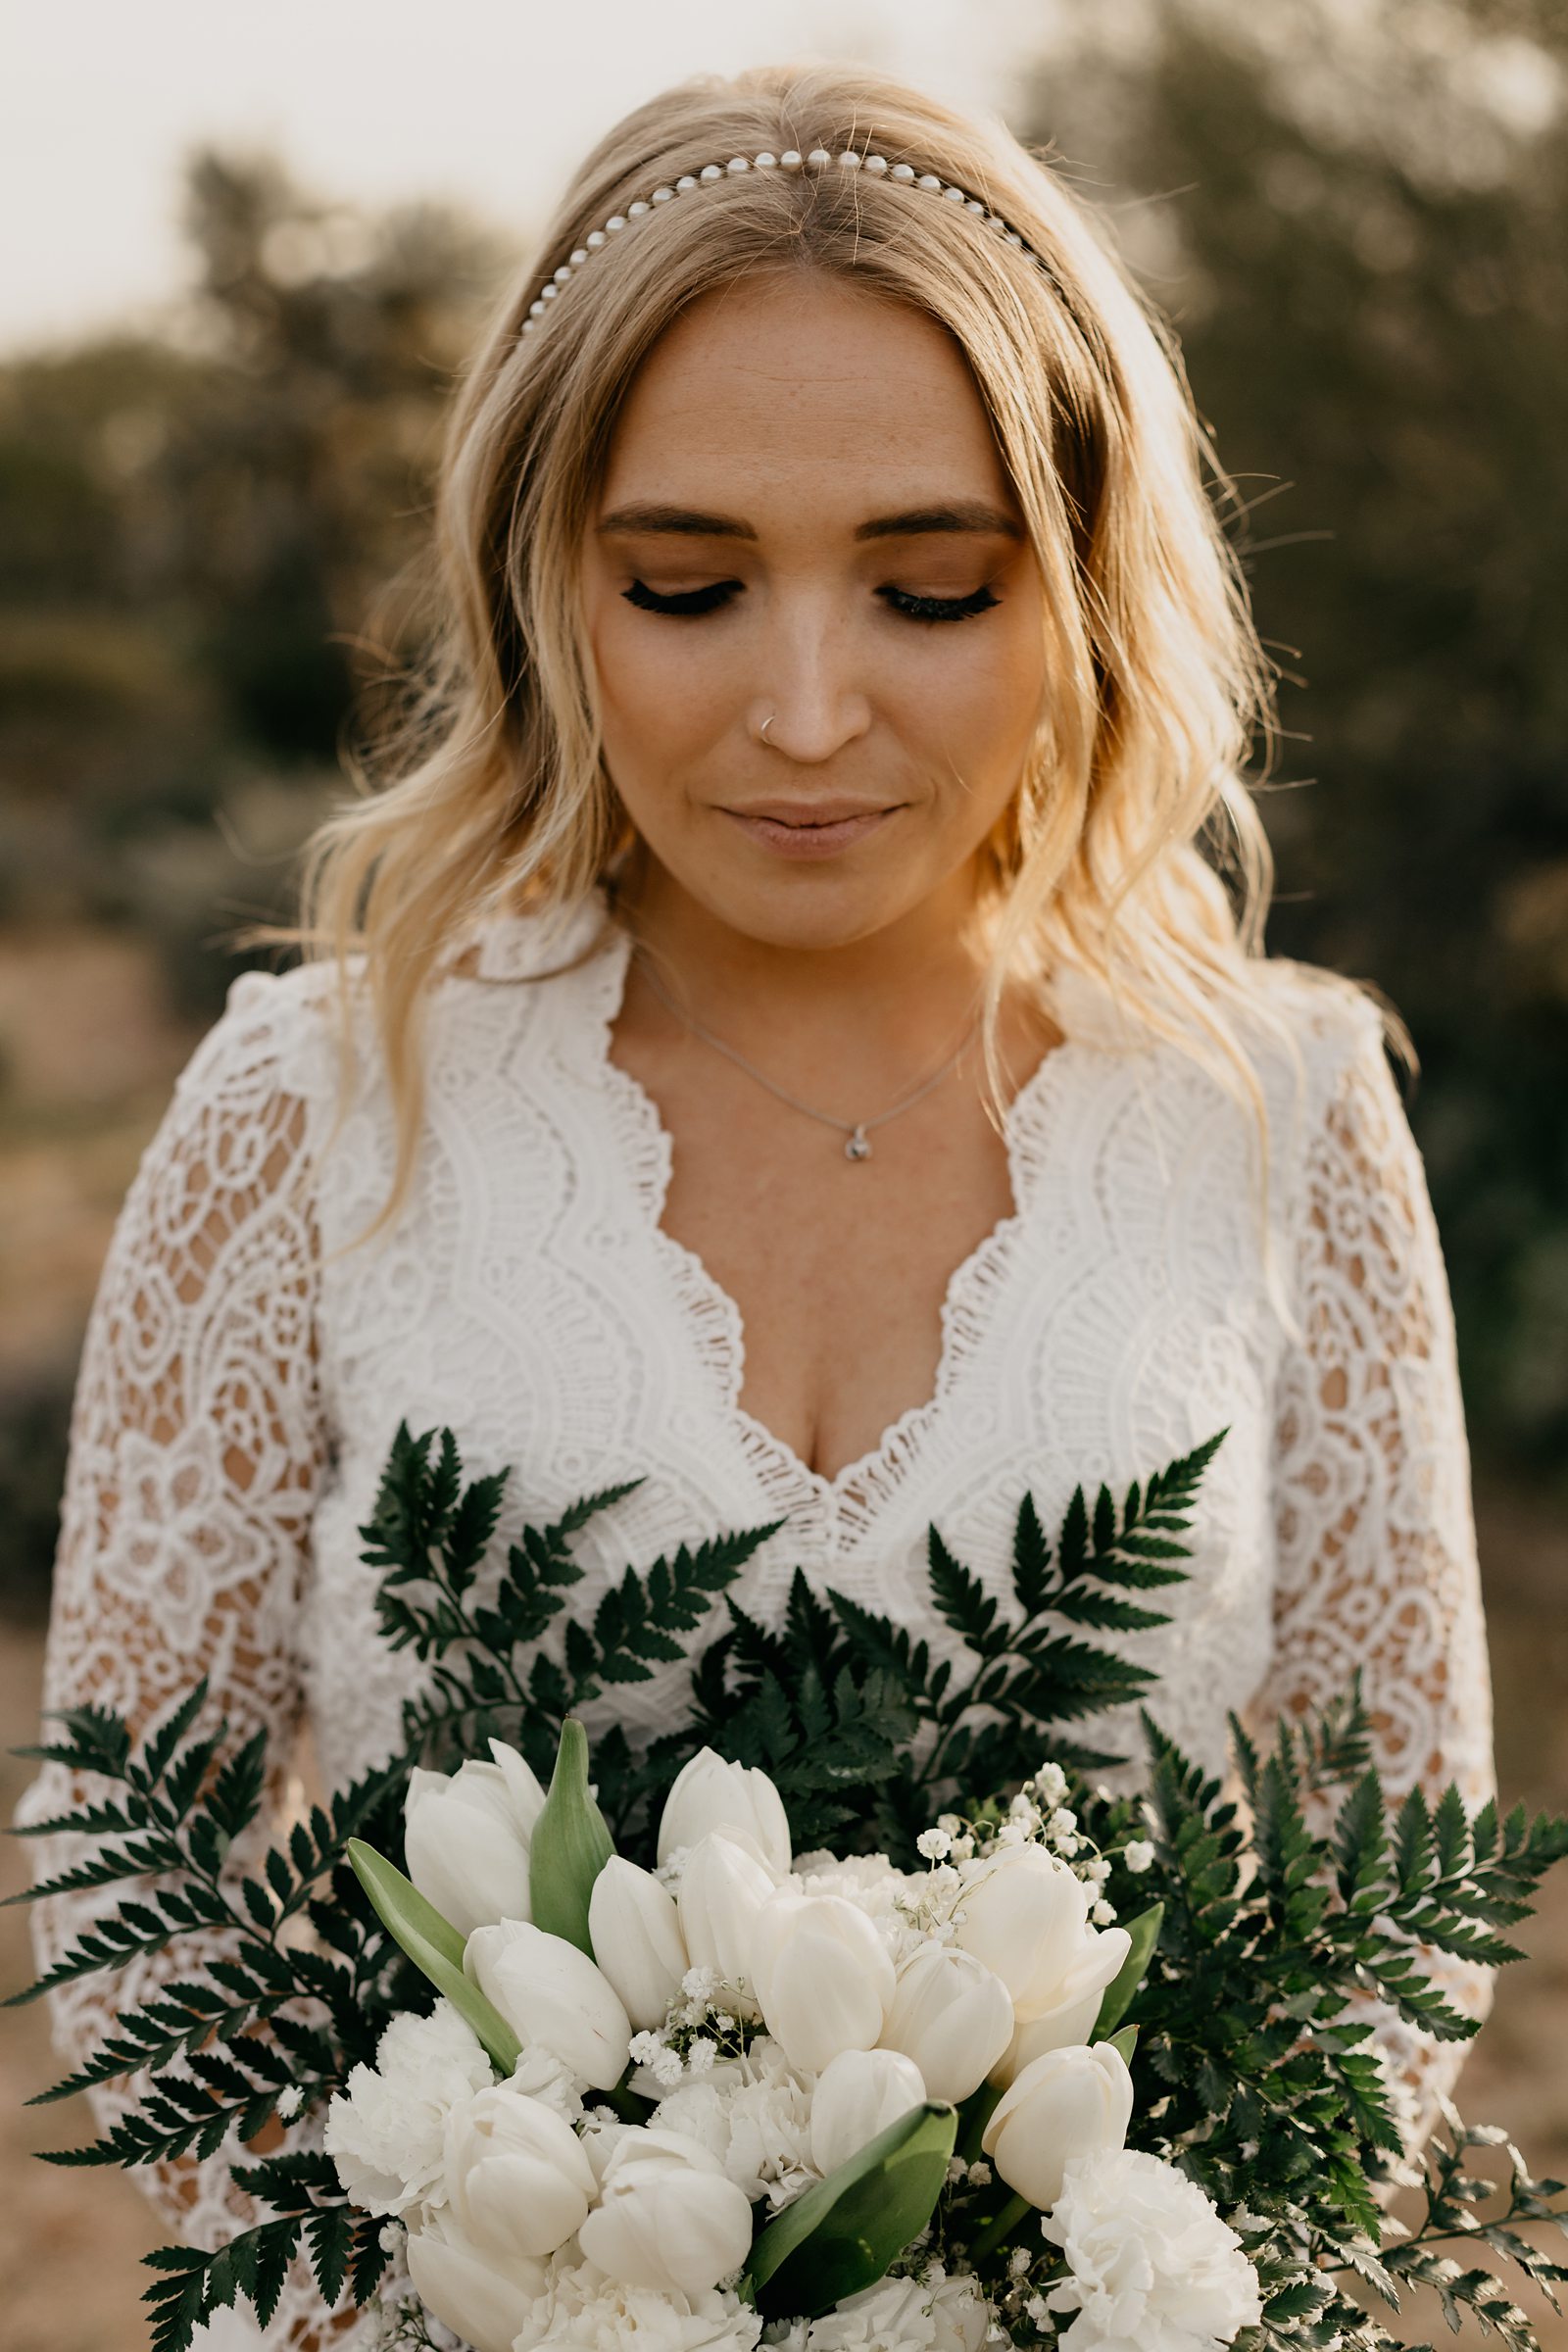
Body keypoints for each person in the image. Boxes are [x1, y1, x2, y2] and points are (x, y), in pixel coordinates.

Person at [18, 59, 1496, 2350]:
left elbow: (1391, 1892)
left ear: (1082, 581)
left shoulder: (1277, 1107)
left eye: (925, 588)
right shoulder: (310, 1105)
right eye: (688, 587)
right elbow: (148, 1867)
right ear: (547, 584)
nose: (804, 712)